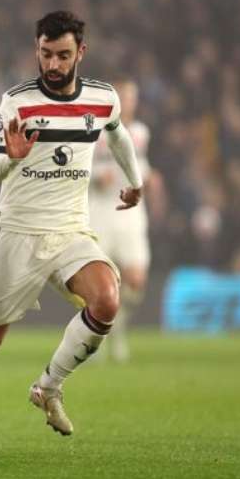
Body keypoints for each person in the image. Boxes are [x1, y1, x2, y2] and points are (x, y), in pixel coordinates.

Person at [0, 11, 144, 436]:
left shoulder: (103, 98)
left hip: (70, 231)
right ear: (37, 49)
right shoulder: (17, 102)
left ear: (80, 53)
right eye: (45, 54)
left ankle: (48, 387)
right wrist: (10, 156)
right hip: (16, 233)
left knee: (106, 299)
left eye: (62, 55)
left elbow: (118, 132)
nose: (52, 65)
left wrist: (134, 182)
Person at [89, 79, 162, 362]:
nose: (129, 101)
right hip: (100, 210)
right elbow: (74, 169)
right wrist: (97, 177)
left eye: (132, 96)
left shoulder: (142, 132)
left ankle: (116, 328)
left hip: (131, 214)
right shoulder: (93, 131)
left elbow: (140, 165)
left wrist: (151, 177)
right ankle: (94, 339)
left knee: (136, 281)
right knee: (98, 283)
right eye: (123, 96)